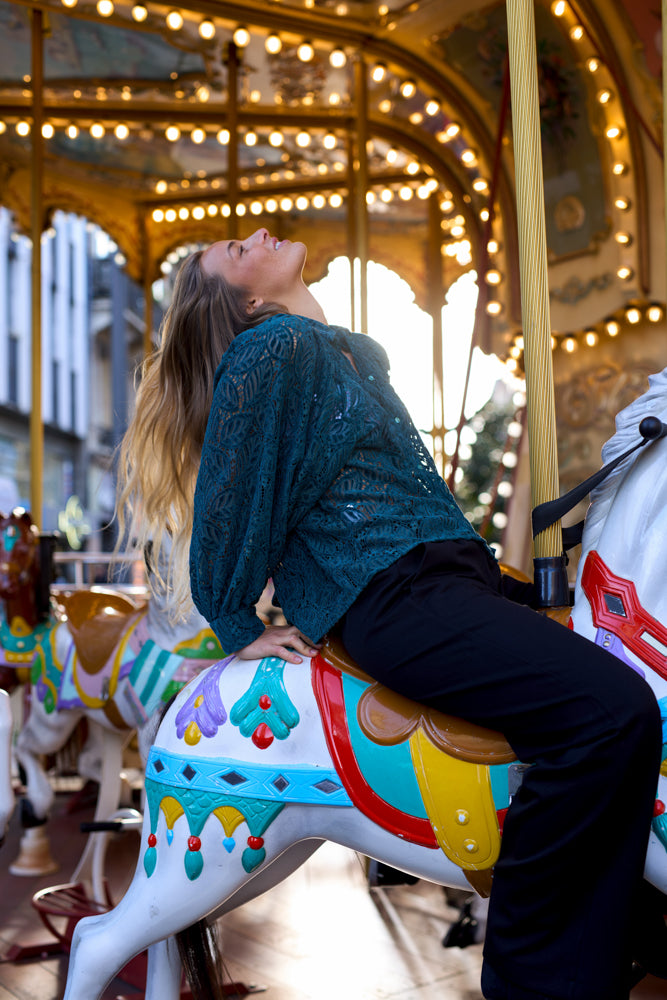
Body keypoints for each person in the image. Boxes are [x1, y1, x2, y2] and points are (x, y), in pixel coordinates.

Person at [117, 227, 663, 1000]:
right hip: (396, 597)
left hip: (449, 583)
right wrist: (237, 622)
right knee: (610, 712)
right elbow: (228, 500)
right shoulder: (269, 349)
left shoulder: (345, 353)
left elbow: (412, 499)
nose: (257, 234)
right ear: (249, 301)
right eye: (237, 249)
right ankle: (535, 973)